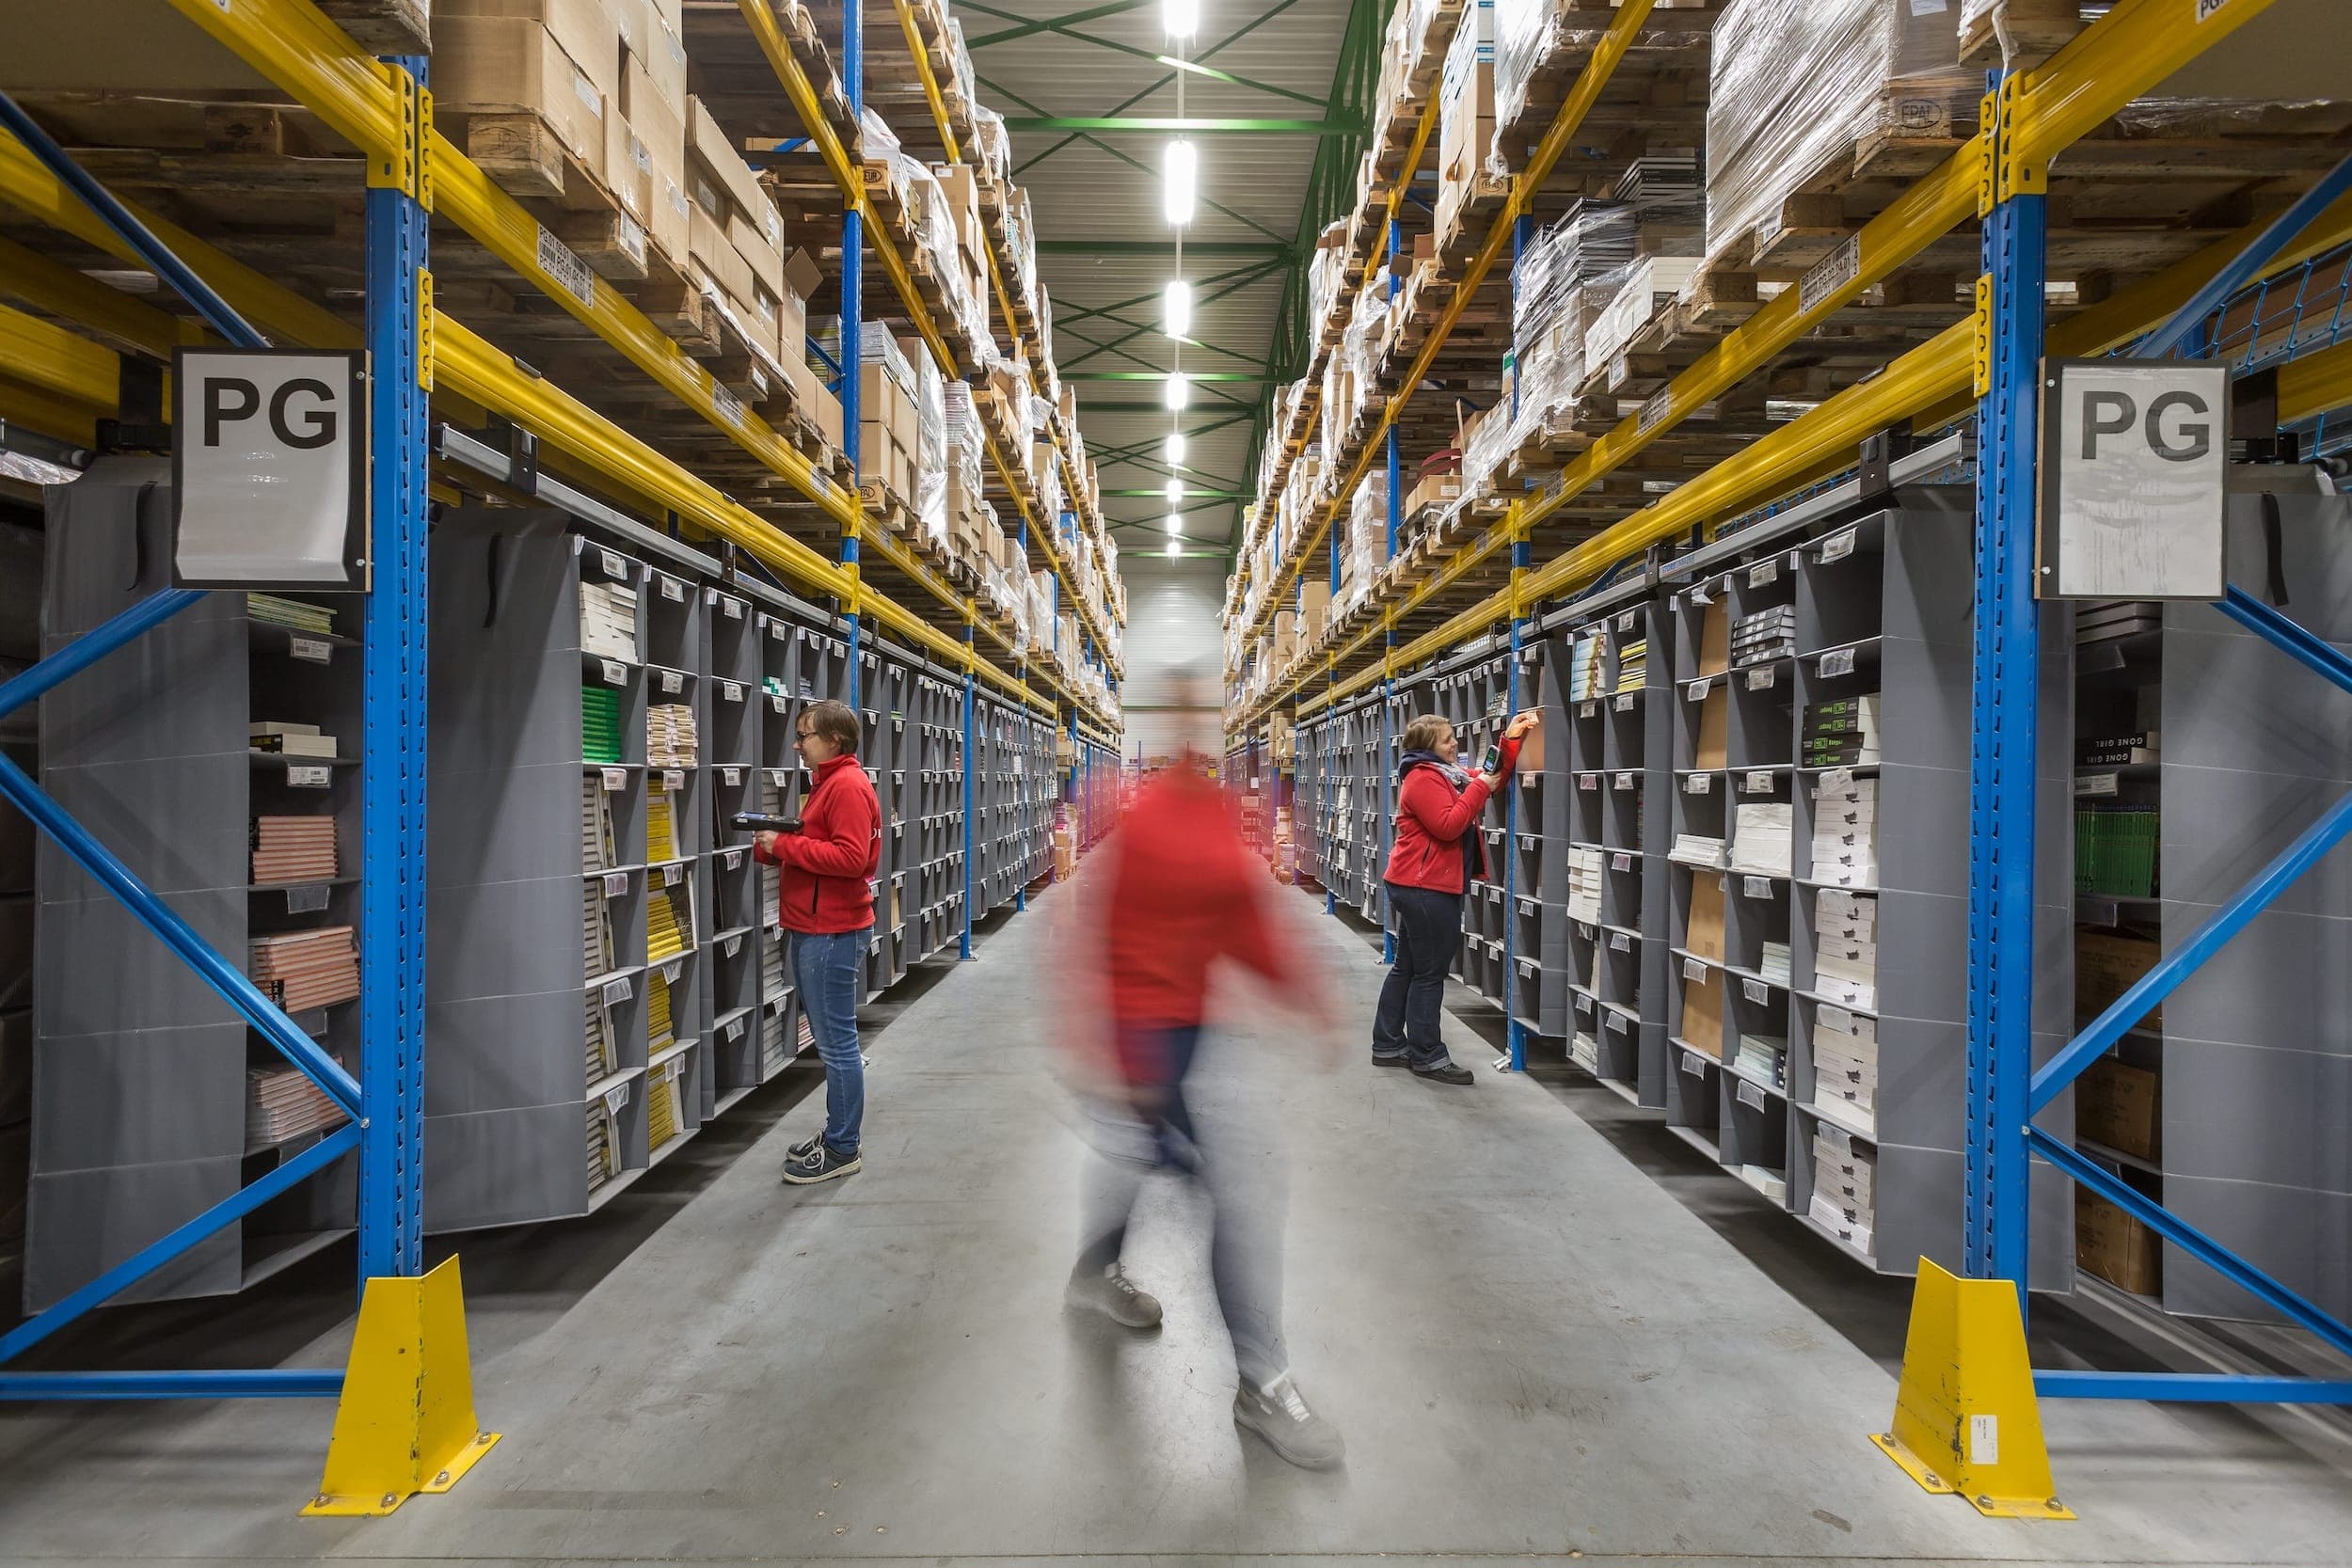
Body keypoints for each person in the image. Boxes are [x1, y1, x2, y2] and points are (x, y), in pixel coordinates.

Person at [1061, 678, 1345, 1469]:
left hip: (1186, 1035)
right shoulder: (1147, 819)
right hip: (1143, 1041)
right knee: (1241, 1192)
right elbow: (1100, 947)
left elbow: (1240, 919)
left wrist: (1308, 998)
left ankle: (1092, 1273)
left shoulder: (1207, 816)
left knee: (1141, 1162)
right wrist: (1117, 1060)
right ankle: (1262, 1380)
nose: (1198, 729)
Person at [1372, 708, 1541, 1084]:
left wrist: (1509, 740)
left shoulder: (1443, 774)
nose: (1455, 744)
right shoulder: (1421, 779)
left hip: (1418, 883)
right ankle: (1428, 1055)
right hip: (1424, 888)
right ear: (1428, 747)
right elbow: (1449, 826)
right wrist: (1479, 788)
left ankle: (1387, 1043)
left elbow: (1488, 776)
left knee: (1410, 967)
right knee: (1429, 974)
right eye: (1448, 739)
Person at [755, 698, 882, 1184]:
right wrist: (775, 846)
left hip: (830, 930)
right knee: (833, 1042)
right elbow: (826, 848)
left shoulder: (846, 787)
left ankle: (843, 1147)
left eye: (805, 734)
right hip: (816, 925)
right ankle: (836, 1134)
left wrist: (785, 845)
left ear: (834, 740)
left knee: (837, 1046)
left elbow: (851, 859)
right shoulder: (828, 785)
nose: (797, 743)